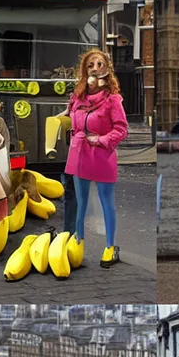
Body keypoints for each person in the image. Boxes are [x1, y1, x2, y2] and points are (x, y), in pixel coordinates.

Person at [63, 49, 129, 266]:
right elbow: (71, 118)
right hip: (78, 154)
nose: (95, 68)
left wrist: (101, 140)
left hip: (101, 155)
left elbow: (121, 129)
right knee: (80, 203)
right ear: (85, 70)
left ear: (107, 69)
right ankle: (78, 242)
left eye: (100, 64)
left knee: (106, 202)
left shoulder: (113, 100)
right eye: (91, 65)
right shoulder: (77, 97)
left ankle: (110, 247)